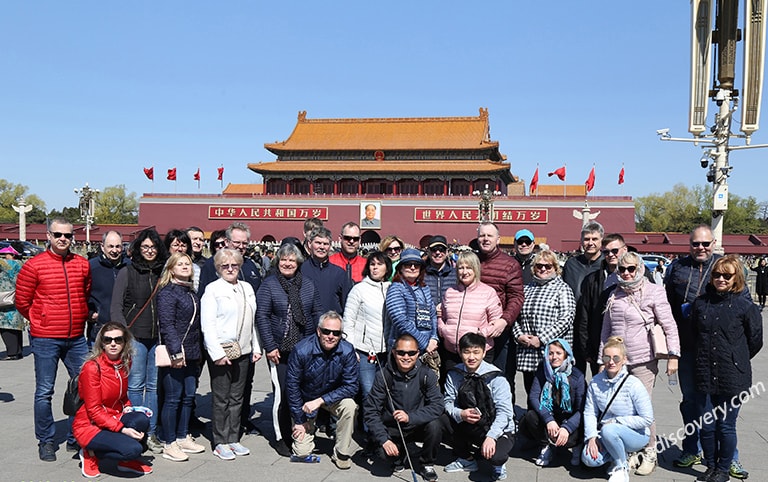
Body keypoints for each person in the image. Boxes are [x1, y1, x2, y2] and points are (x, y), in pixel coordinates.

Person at [664, 224, 749, 477]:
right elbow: (667, 307)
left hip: (721, 352)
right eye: (695, 243)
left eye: (705, 243)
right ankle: (692, 448)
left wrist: (736, 351)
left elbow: (748, 320)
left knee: (724, 410)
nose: (700, 248)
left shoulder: (724, 267)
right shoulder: (676, 268)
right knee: (692, 402)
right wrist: (672, 348)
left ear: (713, 244)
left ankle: (729, 458)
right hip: (688, 349)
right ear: (688, 244)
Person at [15, 218, 92, 461]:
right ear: (48, 235)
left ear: (73, 238)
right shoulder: (34, 266)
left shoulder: (81, 264)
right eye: (58, 234)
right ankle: (46, 440)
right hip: (46, 337)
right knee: (44, 391)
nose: (63, 239)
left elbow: (85, 292)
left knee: (84, 387)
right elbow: (22, 301)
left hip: (77, 337)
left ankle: (74, 436)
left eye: (67, 235)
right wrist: (40, 320)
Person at [599, 251, 680, 475]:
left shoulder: (654, 292)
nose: (626, 273)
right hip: (616, 362)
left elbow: (669, 325)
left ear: (640, 269)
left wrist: (673, 355)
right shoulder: (614, 294)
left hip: (643, 360)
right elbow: (606, 331)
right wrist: (601, 359)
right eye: (622, 269)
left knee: (642, 407)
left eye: (631, 269)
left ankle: (650, 449)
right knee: (621, 407)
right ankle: (631, 450)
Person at [692, 255, 762, 482]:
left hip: (733, 375)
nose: (721, 279)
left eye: (727, 275)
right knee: (707, 424)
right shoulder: (701, 303)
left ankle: (724, 469)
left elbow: (755, 340)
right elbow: (694, 335)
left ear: (736, 278)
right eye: (717, 274)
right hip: (705, 371)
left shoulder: (745, 306)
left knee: (726, 426)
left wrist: (736, 358)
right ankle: (710, 466)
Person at [255, 242, 323, 457]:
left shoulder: (308, 285)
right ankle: (280, 437)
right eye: (283, 259)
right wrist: (270, 346)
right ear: (278, 261)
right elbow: (262, 317)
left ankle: (301, 432)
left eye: (291, 260)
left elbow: (317, 312)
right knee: (282, 395)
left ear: (298, 262)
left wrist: (316, 342)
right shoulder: (269, 284)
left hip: (304, 349)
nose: (287, 263)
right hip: (279, 350)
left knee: (301, 393)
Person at [200, 248, 262, 461]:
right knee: (221, 398)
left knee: (238, 396)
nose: (229, 269)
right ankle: (220, 440)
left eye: (233, 265)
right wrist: (216, 352)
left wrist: (256, 347)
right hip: (222, 351)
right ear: (218, 268)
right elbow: (207, 325)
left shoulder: (246, 288)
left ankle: (233, 437)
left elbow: (252, 319)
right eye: (224, 266)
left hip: (244, 349)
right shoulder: (213, 289)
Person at [110, 227, 168, 453]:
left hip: (157, 337)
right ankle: (135, 430)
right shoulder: (128, 271)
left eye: (153, 247)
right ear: (137, 249)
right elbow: (116, 305)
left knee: (153, 387)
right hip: (135, 335)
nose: (149, 251)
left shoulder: (163, 272)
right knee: (135, 385)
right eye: (145, 247)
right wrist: (123, 333)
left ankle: (151, 432)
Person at [73, 322, 154, 477]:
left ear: (125, 342)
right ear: (101, 342)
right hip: (90, 425)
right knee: (134, 449)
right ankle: (90, 452)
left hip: (113, 416)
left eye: (118, 340)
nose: (113, 344)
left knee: (142, 421)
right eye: (107, 340)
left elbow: (122, 397)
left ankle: (124, 460)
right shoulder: (92, 367)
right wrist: (122, 429)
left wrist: (128, 408)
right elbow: (94, 410)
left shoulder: (124, 362)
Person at [364, 334, 444, 481]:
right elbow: (371, 411)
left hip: (417, 425)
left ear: (418, 353)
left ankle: (427, 463)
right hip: (393, 428)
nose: (406, 357)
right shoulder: (383, 375)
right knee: (384, 457)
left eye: (411, 353)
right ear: (394, 352)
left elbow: (438, 405)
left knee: (436, 425)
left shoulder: (427, 374)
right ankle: (400, 455)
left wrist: (410, 417)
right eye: (401, 352)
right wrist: (384, 440)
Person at [286, 311, 359, 470]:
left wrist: (321, 401)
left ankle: (341, 452)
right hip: (306, 400)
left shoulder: (347, 351)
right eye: (326, 331)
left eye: (336, 333)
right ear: (318, 331)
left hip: (330, 397)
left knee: (350, 406)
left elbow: (352, 386)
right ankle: (309, 428)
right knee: (302, 453)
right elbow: (292, 387)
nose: (331, 336)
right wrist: (299, 420)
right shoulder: (301, 350)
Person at [444, 333, 516, 481]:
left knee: (496, 457)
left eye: (476, 352)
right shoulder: (454, 373)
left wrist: (491, 436)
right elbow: (448, 401)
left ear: (484, 353)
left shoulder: (497, 377)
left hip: (495, 427)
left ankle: (498, 465)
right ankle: (466, 458)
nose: (471, 357)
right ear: (460, 352)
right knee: (440, 420)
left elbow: (505, 412)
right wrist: (460, 413)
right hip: (469, 422)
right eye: (467, 352)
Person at [581, 336, 653, 482]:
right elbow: (589, 412)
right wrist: (592, 437)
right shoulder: (595, 382)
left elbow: (647, 419)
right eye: (607, 358)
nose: (611, 362)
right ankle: (617, 455)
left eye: (616, 358)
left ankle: (622, 467)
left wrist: (616, 421)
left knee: (609, 430)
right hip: (606, 432)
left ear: (624, 360)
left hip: (636, 434)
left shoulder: (634, 384)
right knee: (589, 459)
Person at [156, 252, 205, 462]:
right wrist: (176, 352)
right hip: (176, 353)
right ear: (171, 269)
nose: (186, 267)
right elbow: (167, 325)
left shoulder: (191, 292)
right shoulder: (167, 293)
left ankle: (183, 435)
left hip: (193, 353)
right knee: (173, 398)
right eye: (181, 264)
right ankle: (169, 442)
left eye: (188, 264)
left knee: (188, 396)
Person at [513, 250, 576, 396]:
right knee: (532, 395)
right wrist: (518, 335)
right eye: (539, 266)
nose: (543, 269)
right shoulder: (526, 289)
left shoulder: (562, 289)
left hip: (552, 352)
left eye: (548, 266)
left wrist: (541, 339)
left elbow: (566, 318)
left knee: (551, 396)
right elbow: (515, 315)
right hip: (528, 352)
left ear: (555, 268)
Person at [476, 221, 524, 404]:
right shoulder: (473, 261)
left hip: (500, 331)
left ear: (498, 239)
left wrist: (505, 320)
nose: (485, 239)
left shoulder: (510, 264)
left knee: (501, 378)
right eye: (482, 235)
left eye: (489, 235)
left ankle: (505, 421)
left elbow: (517, 297)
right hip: (476, 330)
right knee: (478, 378)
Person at [519, 338, 586, 467]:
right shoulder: (542, 371)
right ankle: (546, 445)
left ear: (566, 354)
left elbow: (581, 408)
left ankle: (576, 446)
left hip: (569, 419)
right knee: (530, 417)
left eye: (558, 353)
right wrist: (548, 419)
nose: (554, 357)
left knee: (581, 425)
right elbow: (534, 397)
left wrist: (567, 428)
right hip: (551, 418)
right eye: (550, 353)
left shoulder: (577, 376)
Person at [343, 252, 392, 420]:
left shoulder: (391, 288)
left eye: (379, 264)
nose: (375, 267)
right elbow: (348, 320)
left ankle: (380, 429)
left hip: (385, 351)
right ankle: (369, 430)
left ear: (387, 268)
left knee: (383, 392)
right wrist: (351, 347)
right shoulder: (359, 289)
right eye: (372, 264)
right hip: (364, 351)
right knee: (368, 392)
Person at [438, 250, 503, 376]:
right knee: (453, 391)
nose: (464, 271)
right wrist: (443, 329)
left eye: (468, 267)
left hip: (477, 353)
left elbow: (496, 323)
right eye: (461, 268)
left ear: (476, 269)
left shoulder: (488, 292)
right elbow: (443, 316)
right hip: (452, 352)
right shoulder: (450, 292)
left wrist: (479, 335)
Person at [574, 233, 628, 376]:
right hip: (600, 345)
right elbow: (584, 315)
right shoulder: (593, 279)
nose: (611, 255)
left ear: (625, 249)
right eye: (606, 252)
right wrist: (587, 347)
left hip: (632, 347)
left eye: (615, 251)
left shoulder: (640, 274)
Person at [385, 248, 439, 355]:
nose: (413, 268)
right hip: (404, 349)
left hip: (427, 348)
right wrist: (424, 343)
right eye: (408, 264)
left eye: (416, 265)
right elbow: (400, 321)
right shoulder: (396, 288)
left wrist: (434, 338)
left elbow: (432, 315)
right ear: (400, 268)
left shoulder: (425, 288)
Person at [87, 230, 130, 343]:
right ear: (102, 247)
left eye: (118, 246)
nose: (114, 250)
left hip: (124, 329)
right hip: (99, 329)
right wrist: (89, 312)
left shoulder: (130, 267)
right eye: (110, 246)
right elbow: (81, 294)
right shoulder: (91, 267)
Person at [300, 226, 351, 314]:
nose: (322, 247)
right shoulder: (301, 270)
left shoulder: (339, 273)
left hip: (332, 324)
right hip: (307, 324)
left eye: (325, 244)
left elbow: (347, 305)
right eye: (318, 243)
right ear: (309, 244)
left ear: (330, 246)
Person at [562, 221, 604, 303]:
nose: (590, 243)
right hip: (574, 312)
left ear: (601, 240)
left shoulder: (606, 264)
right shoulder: (571, 264)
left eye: (594, 239)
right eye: (586, 239)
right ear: (581, 241)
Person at [0, 245, 24, 360]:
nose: (5, 256)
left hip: (5, 298)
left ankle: (12, 353)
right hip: (17, 297)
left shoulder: (6, 264)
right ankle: (18, 351)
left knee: (5, 326)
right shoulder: (22, 264)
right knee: (16, 326)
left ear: (13, 255)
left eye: (7, 254)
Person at [424, 234, 457, 307]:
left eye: (441, 249)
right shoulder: (421, 274)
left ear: (447, 252)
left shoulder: (456, 274)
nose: (438, 252)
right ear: (428, 252)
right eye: (434, 249)